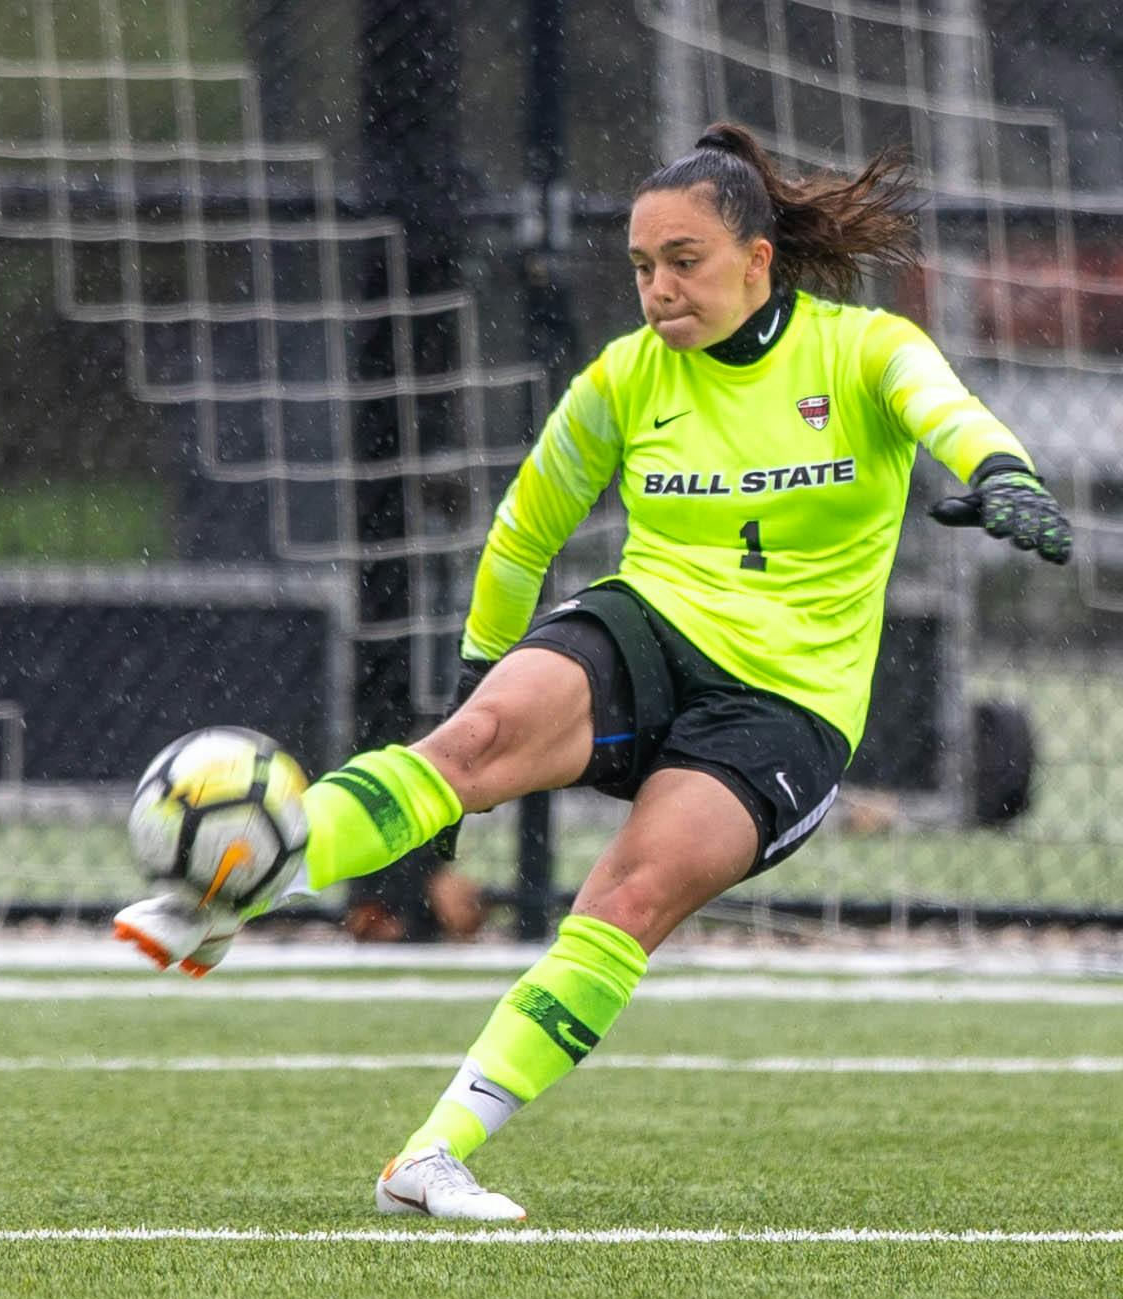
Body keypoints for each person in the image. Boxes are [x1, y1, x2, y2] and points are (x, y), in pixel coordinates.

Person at [113, 122, 1072, 1221]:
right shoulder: (624, 379)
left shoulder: (862, 350)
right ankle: (226, 891)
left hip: (790, 703)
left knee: (626, 898)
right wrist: (485, 677)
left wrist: (1004, 475)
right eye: (641, 267)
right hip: (651, 624)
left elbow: (951, 414)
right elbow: (524, 534)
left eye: (684, 261)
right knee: (461, 751)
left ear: (758, 261)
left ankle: (429, 1159)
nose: (657, 289)